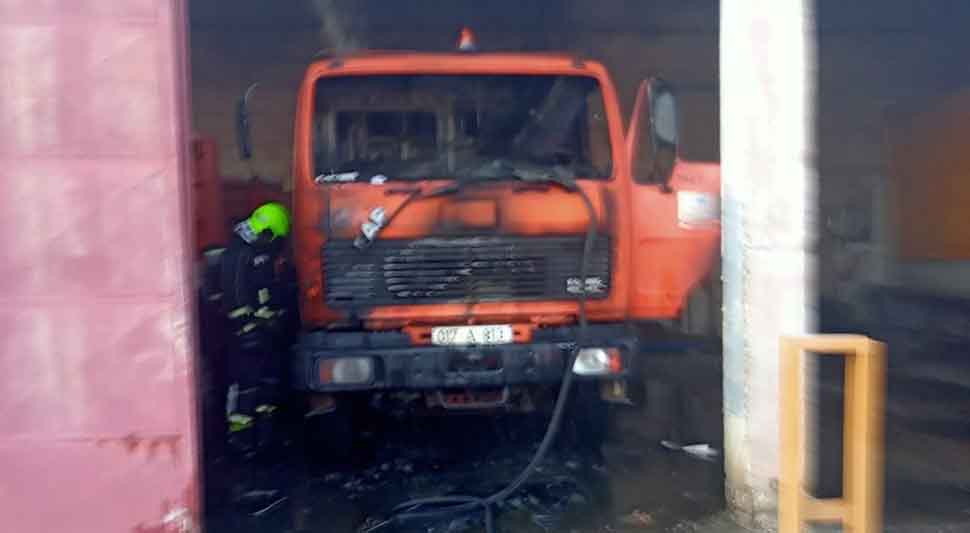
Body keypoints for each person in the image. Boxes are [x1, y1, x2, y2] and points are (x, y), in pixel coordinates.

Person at [219, 201, 294, 458]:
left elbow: (268, 292)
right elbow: (236, 297)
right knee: (246, 385)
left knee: (268, 385)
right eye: (276, 239)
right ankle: (240, 439)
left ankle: (265, 437)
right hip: (245, 335)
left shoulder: (260, 253)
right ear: (267, 233)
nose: (277, 245)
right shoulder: (237, 255)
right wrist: (248, 326)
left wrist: (275, 318)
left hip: (265, 334)